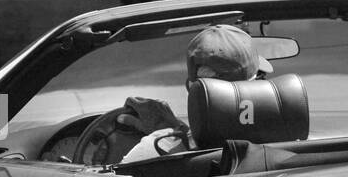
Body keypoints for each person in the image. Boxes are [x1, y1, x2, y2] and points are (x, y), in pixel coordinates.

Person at [116, 24, 272, 163]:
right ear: (257, 87)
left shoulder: (155, 150)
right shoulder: (287, 142)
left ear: (191, 88)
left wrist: (176, 135)